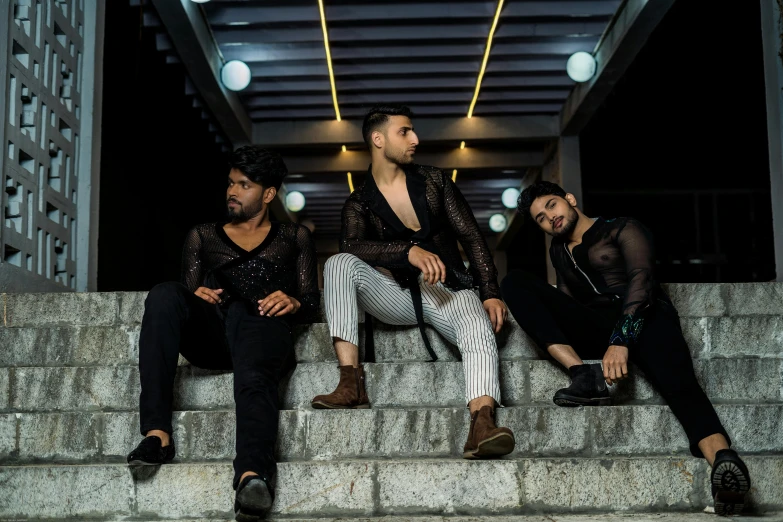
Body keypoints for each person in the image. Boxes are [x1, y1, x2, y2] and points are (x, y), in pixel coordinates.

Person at [501, 180, 751, 516]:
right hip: (598, 325)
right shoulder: (558, 252)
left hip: (647, 317)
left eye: (551, 206)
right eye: (540, 219)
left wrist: (621, 340)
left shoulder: (622, 228)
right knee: (515, 281)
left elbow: (642, 281)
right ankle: (582, 374)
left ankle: (724, 463)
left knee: (680, 387)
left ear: (569, 199)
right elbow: (566, 303)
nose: (550, 218)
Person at [126, 146, 319, 521]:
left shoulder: (294, 237)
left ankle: (252, 475)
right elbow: (189, 292)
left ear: (267, 194)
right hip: (214, 337)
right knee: (165, 293)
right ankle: (157, 435)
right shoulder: (203, 235)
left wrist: (293, 302)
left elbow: (311, 300)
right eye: (230, 183)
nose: (232, 191)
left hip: (262, 330)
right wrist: (194, 295)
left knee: (252, 315)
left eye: (243, 185)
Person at [311, 104, 515, 459]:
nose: (415, 139)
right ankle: (350, 383)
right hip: (394, 294)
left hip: (447, 291)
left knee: (477, 328)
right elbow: (353, 245)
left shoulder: (435, 181)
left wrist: (491, 293)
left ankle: (482, 423)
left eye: (413, 130)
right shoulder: (359, 202)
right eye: (404, 131)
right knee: (338, 263)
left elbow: (472, 238)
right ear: (378, 139)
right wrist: (407, 251)